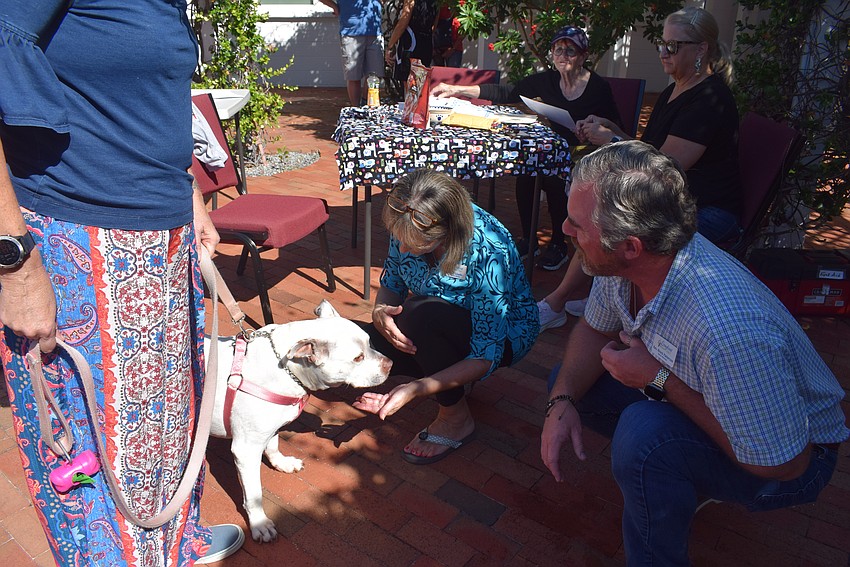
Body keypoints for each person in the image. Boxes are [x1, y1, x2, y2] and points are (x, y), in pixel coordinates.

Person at [0, 3, 242, 565]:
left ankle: (170, 545)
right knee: (95, 456)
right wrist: (13, 263)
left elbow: (138, 96)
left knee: (165, 429)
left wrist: (188, 191)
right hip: (80, 243)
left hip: (160, 236)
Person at [541, 140, 848, 566]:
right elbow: (594, 329)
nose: (565, 231)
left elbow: (787, 464)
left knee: (645, 436)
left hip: (793, 456)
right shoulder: (627, 262)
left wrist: (659, 380)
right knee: (570, 382)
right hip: (718, 399)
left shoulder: (727, 330)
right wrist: (560, 403)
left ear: (631, 246)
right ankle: (684, 471)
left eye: (577, 225)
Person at [537, 6, 742, 331]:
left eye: (673, 46)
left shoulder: (709, 99)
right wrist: (611, 128)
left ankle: (569, 304)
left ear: (701, 48)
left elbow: (663, 170)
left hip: (707, 210)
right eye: (662, 43)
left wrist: (612, 138)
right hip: (675, 201)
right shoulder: (676, 88)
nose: (663, 52)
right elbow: (651, 151)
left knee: (612, 224)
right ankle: (574, 300)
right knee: (597, 211)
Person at [352, 169, 538, 464]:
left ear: (447, 232)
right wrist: (379, 314)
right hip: (441, 322)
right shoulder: (410, 217)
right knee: (364, 340)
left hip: (502, 338)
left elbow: (486, 354)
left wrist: (416, 389)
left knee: (421, 316)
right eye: (398, 238)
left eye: (413, 243)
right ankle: (451, 377)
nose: (402, 247)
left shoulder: (487, 250)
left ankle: (456, 419)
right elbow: (392, 285)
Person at [432, 26, 621, 272]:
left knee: (554, 177)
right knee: (527, 170)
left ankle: (558, 244)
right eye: (558, 49)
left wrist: (597, 127)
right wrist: (457, 90)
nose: (563, 55)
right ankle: (529, 240)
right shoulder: (546, 81)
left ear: (584, 56)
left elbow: (616, 127)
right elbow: (506, 91)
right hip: (552, 149)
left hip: (585, 153)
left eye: (571, 51)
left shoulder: (598, 87)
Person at [319, 0, 384, 106]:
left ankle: (365, 103)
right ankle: (356, 109)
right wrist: (334, 6)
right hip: (351, 32)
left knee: (374, 75)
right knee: (353, 76)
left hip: (374, 31)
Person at [386, 0, 437, 81]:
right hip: (427, 42)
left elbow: (403, 22)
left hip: (411, 43)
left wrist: (390, 45)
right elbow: (434, 25)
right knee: (421, 80)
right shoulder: (437, 3)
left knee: (408, 80)